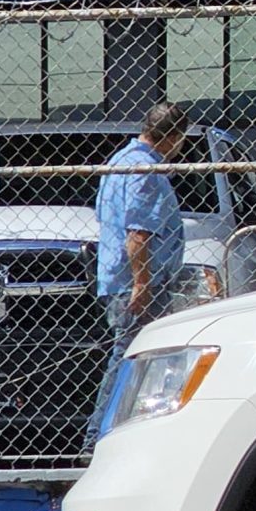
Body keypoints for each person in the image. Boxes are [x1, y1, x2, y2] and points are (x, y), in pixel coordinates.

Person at [88, 101, 191, 446]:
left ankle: (111, 434)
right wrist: (143, 284)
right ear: (174, 137)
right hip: (136, 283)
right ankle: (99, 437)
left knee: (133, 355)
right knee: (130, 357)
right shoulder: (146, 171)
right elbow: (137, 235)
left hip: (116, 276)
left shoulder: (119, 161)